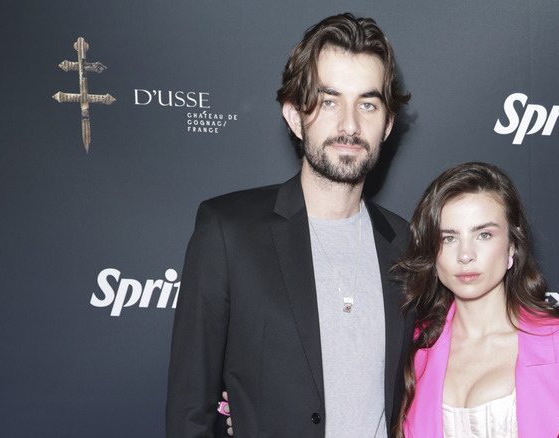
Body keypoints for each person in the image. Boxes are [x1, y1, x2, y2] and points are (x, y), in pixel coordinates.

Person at [165, 13, 413, 437]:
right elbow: (190, 411)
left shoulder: (406, 244)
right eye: (329, 100)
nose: (349, 125)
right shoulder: (227, 231)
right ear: (295, 116)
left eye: (367, 104)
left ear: (387, 125)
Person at [393, 162, 559, 437]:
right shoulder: (411, 348)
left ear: (512, 244)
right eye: (448, 238)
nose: (465, 255)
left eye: (484, 234)